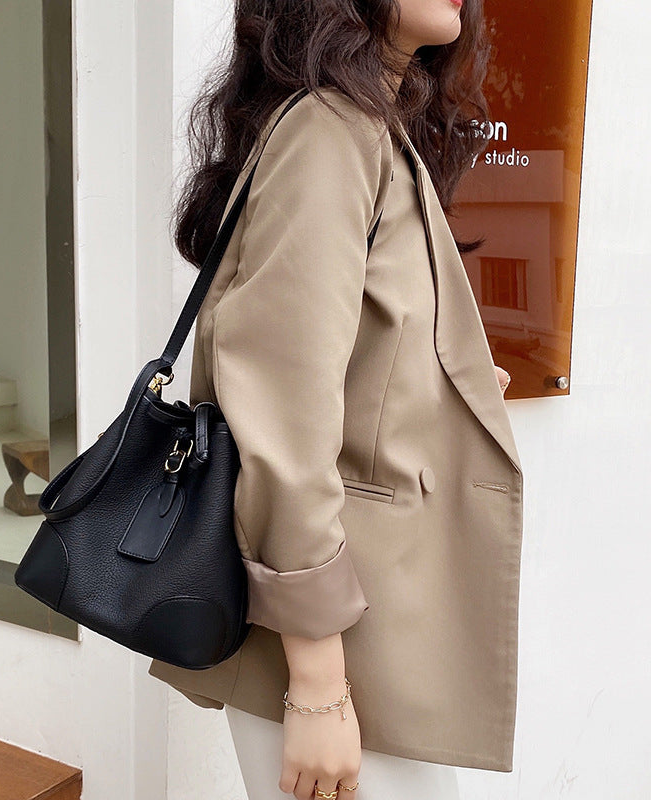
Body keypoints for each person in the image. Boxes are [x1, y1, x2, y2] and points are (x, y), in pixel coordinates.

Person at [148, 1, 523, 798]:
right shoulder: (330, 131)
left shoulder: (369, 126)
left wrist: (442, 389)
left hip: (372, 620)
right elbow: (282, 411)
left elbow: (342, 362)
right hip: (332, 643)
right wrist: (317, 683)